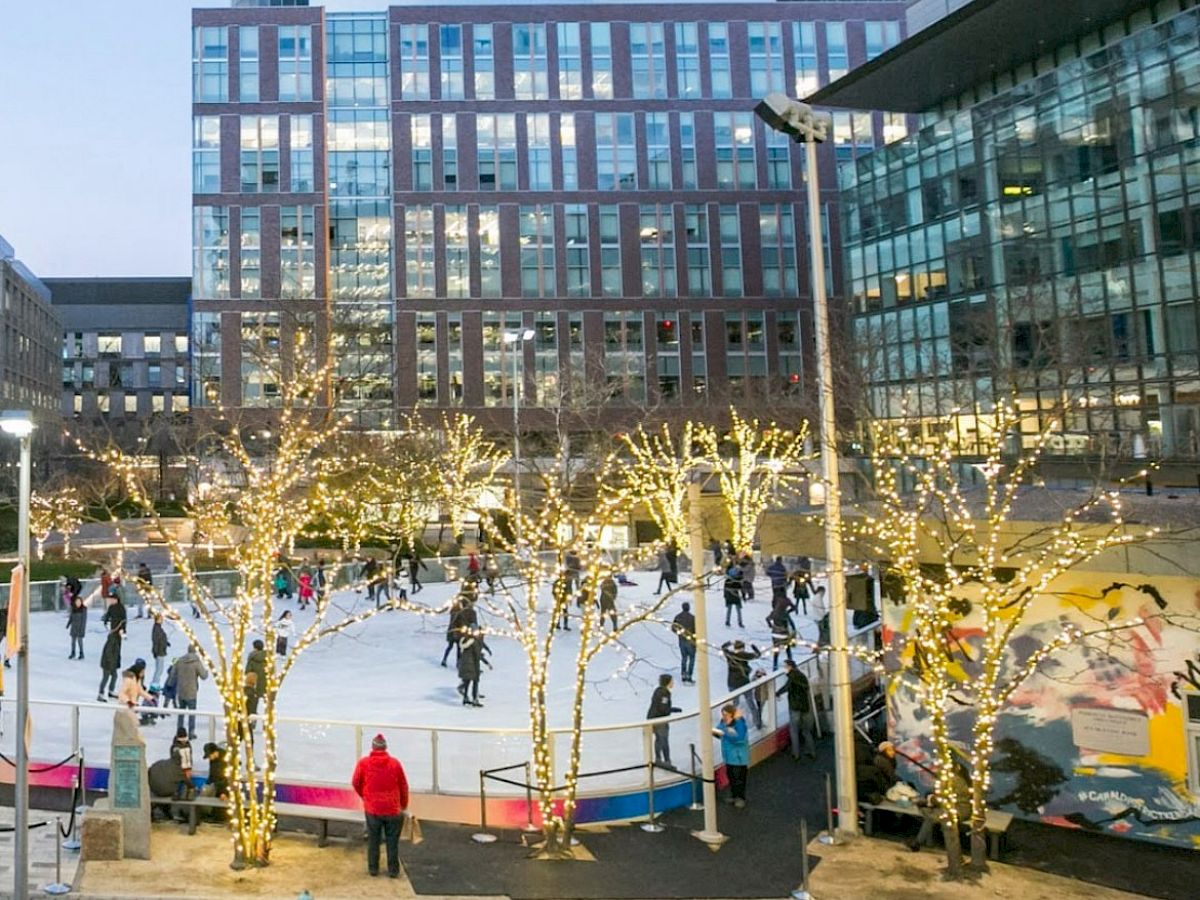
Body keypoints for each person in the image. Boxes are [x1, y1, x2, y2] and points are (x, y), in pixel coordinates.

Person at [351, 733, 410, 879]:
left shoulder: (364, 763)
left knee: (374, 839)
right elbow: (403, 786)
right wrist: (403, 804)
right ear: (385, 748)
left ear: (372, 747)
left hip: (372, 809)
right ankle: (393, 870)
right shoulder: (395, 764)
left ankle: (373, 869)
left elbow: (356, 782)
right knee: (392, 841)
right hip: (393, 809)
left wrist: (366, 797)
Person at [778, 660, 816, 760]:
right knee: (806, 731)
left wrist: (777, 693)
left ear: (790, 667)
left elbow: (786, 687)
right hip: (805, 706)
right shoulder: (802, 676)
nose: (784, 668)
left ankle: (796, 753)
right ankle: (811, 751)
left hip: (795, 707)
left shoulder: (792, 677)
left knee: (794, 730)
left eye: (785, 666)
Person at [715, 704, 749, 808]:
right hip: (728, 757)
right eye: (723, 714)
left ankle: (741, 797)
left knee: (739, 779)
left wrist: (725, 733)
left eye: (726, 714)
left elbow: (740, 739)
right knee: (731, 777)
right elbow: (719, 730)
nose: (724, 717)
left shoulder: (740, 724)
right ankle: (734, 796)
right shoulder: (723, 723)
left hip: (739, 758)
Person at [172, 643, 208, 739]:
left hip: (181, 690)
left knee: (181, 713)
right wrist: (207, 671)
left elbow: (173, 673)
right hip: (191, 691)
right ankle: (191, 732)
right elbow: (204, 676)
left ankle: (179, 731)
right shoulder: (196, 662)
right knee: (192, 713)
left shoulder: (180, 661)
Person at [646, 674, 681, 768]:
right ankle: (666, 761)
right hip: (659, 720)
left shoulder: (658, 690)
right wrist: (672, 709)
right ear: (668, 682)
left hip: (653, 718)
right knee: (663, 740)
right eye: (672, 681)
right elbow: (663, 708)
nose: (673, 683)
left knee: (659, 740)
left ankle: (659, 759)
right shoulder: (665, 693)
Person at [721, 640, 760, 716]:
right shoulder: (745, 656)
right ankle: (757, 723)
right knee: (751, 704)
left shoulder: (730, 655)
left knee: (734, 704)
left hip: (732, 683)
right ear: (743, 648)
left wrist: (730, 642)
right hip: (744, 683)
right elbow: (758, 654)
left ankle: (730, 720)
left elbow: (723, 648)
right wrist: (753, 645)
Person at [456, 628, 491, 707]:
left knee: (467, 681)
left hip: (464, 664)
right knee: (475, 681)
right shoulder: (474, 641)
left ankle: (465, 698)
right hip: (473, 664)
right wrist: (486, 663)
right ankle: (475, 699)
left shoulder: (464, 640)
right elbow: (477, 654)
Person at [671, 602, 696, 684]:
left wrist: (679, 633)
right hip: (691, 640)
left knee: (684, 657)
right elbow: (697, 629)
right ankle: (689, 675)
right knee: (692, 658)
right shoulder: (692, 618)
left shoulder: (678, 617)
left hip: (682, 640)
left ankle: (683, 674)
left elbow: (673, 628)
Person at [97, 623, 123, 701]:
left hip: (112, 663)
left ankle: (111, 691)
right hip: (107, 663)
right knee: (105, 678)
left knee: (114, 676)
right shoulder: (112, 640)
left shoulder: (117, 639)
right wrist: (111, 663)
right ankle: (100, 694)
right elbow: (108, 652)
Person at [767, 601, 796, 669]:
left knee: (776, 650)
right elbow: (791, 623)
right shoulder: (785, 613)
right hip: (784, 634)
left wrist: (771, 626)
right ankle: (791, 663)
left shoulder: (774, 612)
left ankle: (775, 666)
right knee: (788, 649)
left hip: (775, 635)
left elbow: (767, 619)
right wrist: (794, 630)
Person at [170, 727, 195, 799]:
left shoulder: (188, 744)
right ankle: (176, 793)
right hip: (179, 768)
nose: (184, 741)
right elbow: (174, 759)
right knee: (179, 781)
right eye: (182, 739)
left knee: (187, 781)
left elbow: (189, 756)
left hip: (187, 767)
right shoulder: (175, 747)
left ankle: (188, 794)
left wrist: (189, 767)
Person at [150, 613, 170, 687]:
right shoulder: (156, 628)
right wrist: (155, 651)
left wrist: (166, 643)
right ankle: (155, 684)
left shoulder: (158, 628)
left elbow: (161, 638)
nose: (162, 620)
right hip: (159, 651)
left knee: (159, 669)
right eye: (161, 619)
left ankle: (155, 683)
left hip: (161, 650)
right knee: (159, 670)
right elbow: (156, 641)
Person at [723, 559, 745, 627]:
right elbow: (741, 588)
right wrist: (743, 596)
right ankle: (740, 622)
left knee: (729, 609)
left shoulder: (728, 580)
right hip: (735, 595)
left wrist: (725, 596)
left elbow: (725, 589)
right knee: (738, 610)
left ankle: (727, 621)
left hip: (729, 595)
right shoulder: (738, 579)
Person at [66, 594, 87, 660]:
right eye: (77, 602)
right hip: (74, 627)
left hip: (80, 627)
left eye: (79, 602)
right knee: (73, 642)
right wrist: (68, 624)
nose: (78, 603)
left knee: (80, 641)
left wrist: (82, 630)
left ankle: (81, 653)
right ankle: (73, 653)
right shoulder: (73, 609)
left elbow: (84, 620)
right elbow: (71, 617)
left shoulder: (83, 609)